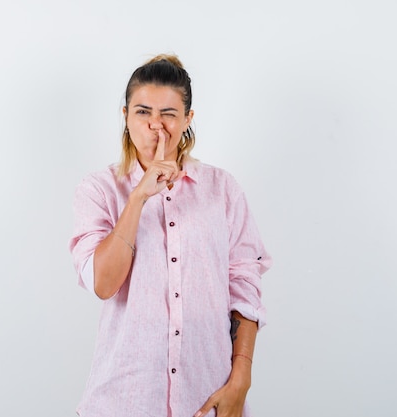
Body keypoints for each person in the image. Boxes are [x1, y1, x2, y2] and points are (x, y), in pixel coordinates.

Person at [69, 54, 272, 417]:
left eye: (169, 114)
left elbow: (244, 286)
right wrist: (139, 196)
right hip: (124, 401)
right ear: (126, 116)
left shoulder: (222, 190)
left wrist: (240, 381)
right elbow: (103, 283)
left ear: (188, 120)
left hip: (207, 398)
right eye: (143, 112)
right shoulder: (99, 190)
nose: (155, 127)